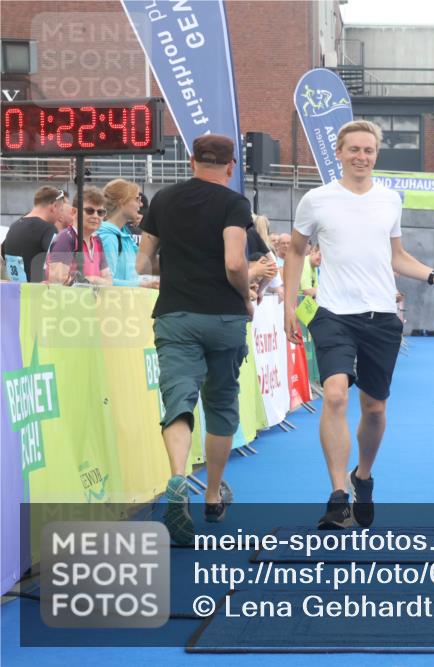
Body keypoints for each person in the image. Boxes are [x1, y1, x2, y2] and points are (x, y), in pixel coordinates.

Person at [283, 120, 434, 530]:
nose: (361, 157)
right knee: (334, 395)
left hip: (381, 316)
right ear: (339, 153)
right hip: (332, 314)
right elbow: (295, 252)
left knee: (375, 408)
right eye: (354, 149)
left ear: (376, 155)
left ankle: (362, 477)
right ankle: (337, 495)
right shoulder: (316, 200)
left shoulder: (389, 200)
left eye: (369, 150)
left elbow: (396, 256)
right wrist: (289, 305)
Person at [136, 134, 255, 545]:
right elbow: (235, 262)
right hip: (223, 316)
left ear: (191, 161)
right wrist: (246, 296)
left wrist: (176, 262)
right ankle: (212, 495)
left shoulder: (163, 199)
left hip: (175, 315)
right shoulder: (234, 204)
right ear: (231, 166)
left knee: (178, 400)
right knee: (220, 404)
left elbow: (142, 262)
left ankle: (176, 478)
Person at [45, 187, 112, 286]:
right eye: (89, 211)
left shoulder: (97, 240)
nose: (96, 216)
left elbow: (109, 282)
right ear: (74, 212)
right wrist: (93, 280)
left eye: (100, 212)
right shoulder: (65, 238)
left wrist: (89, 280)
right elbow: (58, 281)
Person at [1, 185, 65, 282]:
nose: (60, 216)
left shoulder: (14, 226)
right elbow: (57, 267)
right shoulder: (48, 229)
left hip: (15, 289)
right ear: (54, 206)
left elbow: (3, 254)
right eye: (61, 210)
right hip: (37, 290)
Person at [99, 179, 146, 286]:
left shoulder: (123, 235)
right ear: (122, 202)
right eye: (137, 199)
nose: (141, 204)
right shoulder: (109, 237)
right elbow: (106, 284)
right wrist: (143, 285)